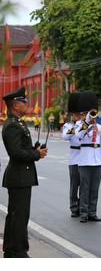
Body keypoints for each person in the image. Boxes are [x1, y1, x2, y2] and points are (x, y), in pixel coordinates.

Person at [1, 86, 48, 258]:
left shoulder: (18, 123)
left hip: (21, 175)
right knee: (19, 216)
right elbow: (15, 152)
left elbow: (22, 148)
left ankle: (11, 249)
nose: (27, 104)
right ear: (15, 104)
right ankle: (18, 252)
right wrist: (36, 154)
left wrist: (35, 149)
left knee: (16, 215)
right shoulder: (12, 125)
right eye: (24, 101)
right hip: (18, 176)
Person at [75, 91, 101, 223]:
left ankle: (92, 212)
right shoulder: (79, 125)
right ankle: (83, 212)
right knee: (85, 188)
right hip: (84, 161)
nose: (91, 116)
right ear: (83, 114)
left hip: (96, 161)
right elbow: (78, 136)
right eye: (88, 114)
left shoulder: (99, 127)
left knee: (94, 189)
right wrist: (87, 123)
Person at [62, 92, 82, 218]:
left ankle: (83, 206)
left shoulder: (87, 126)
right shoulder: (68, 126)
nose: (79, 116)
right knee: (75, 185)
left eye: (81, 114)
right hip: (74, 158)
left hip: (86, 157)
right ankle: (74, 206)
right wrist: (76, 126)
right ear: (72, 115)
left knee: (85, 186)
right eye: (77, 114)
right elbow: (65, 136)